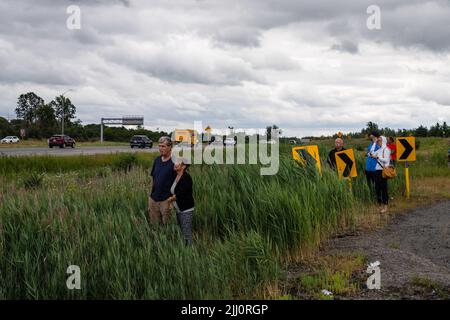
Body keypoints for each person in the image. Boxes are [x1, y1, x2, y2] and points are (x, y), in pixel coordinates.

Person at [149, 136, 177, 225]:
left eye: (163, 146)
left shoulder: (175, 162)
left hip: (167, 200)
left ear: (170, 147)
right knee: (155, 227)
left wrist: (173, 200)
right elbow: (153, 179)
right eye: (159, 146)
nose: (161, 148)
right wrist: (150, 197)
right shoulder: (157, 160)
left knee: (168, 227)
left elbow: (180, 183)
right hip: (154, 199)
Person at [168, 158, 195, 245]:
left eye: (178, 163)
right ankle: (184, 250)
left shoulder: (186, 178)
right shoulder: (175, 175)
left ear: (183, 167)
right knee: (180, 231)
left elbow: (180, 193)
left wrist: (169, 200)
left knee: (186, 233)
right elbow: (171, 190)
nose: (175, 164)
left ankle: (191, 252)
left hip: (185, 210)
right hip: (178, 210)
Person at [371, 136, 391, 213]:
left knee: (384, 189)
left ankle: (385, 207)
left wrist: (377, 157)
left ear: (383, 141)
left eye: (379, 140)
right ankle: (380, 205)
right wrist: (374, 143)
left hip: (383, 170)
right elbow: (371, 153)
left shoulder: (386, 149)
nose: (378, 142)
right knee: (377, 188)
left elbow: (386, 160)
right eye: (377, 141)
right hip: (377, 171)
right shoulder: (379, 149)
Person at [365, 131, 380, 195]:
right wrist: (368, 153)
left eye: (372, 136)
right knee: (369, 184)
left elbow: (372, 153)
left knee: (376, 184)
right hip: (368, 168)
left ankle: (377, 196)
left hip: (374, 168)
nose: (371, 137)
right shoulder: (371, 144)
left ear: (375, 136)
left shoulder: (378, 144)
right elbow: (368, 153)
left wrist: (369, 153)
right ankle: (371, 195)